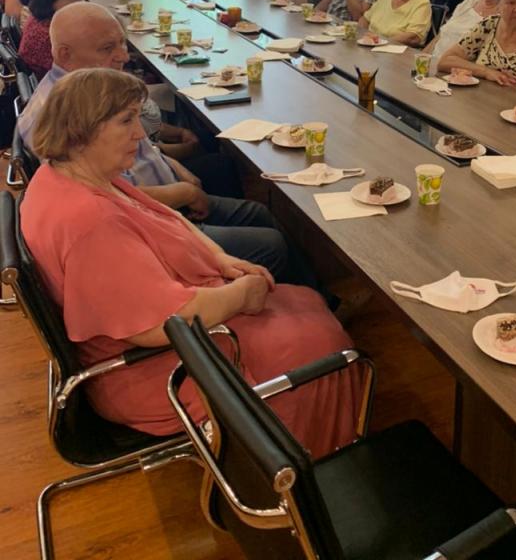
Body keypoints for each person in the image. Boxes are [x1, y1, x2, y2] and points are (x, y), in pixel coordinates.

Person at [20, 68, 360, 453]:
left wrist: (221, 259)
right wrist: (240, 294)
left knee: (306, 302)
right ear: (82, 130)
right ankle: (301, 467)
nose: (140, 133)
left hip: (169, 338)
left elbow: (166, 216)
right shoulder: (90, 222)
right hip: (155, 367)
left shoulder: (69, 175)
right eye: (126, 121)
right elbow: (160, 325)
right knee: (322, 339)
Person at [18, 3, 305, 282]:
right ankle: (279, 295)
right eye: (107, 48)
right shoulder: (59, 116)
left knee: (235, 182)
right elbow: (116, 199)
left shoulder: (79, 90)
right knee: (271, 244)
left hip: (159, 200)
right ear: (65, 54)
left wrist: (172, 164)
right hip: (150, 225)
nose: (123, 56)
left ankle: (293, 291)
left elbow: (126, 156)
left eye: (122, 43)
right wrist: (184, 194)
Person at [426, 0, 509, 69]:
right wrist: (422, 56)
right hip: (433, 61)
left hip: (457, 71)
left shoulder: (502, 15)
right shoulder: (470, 1)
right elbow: (443, 33)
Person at [18, 0, 83, 78]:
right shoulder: (48, 36)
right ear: (50, 1)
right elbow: (76, 71)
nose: (81, 2)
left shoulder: (38, 19)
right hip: (59, 83)